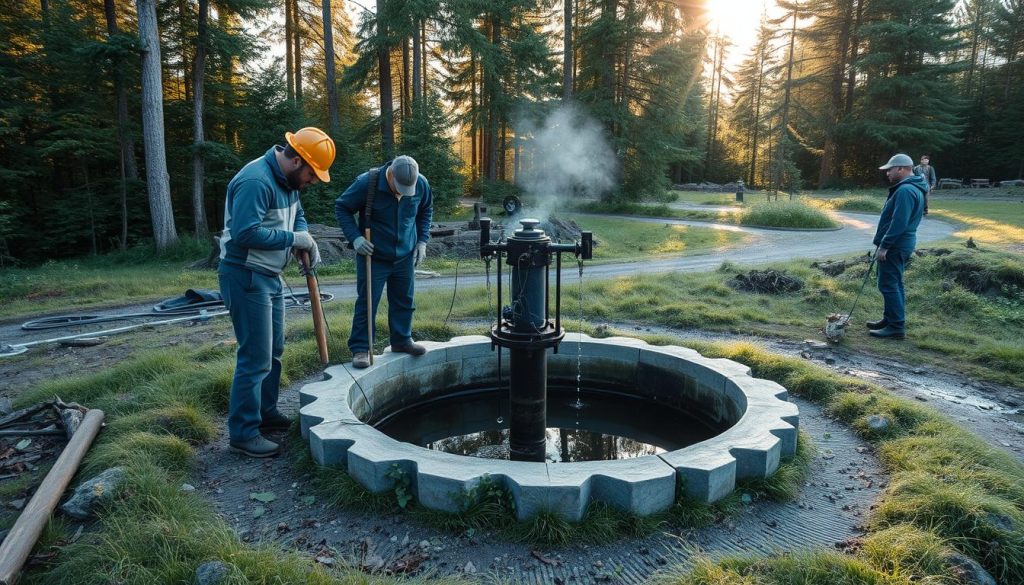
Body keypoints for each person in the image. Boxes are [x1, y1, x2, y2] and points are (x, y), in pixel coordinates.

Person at [218, 127, 335, 457]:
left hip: (269, 274)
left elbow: (297, 215)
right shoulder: (256, 180)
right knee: (255, 356)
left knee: (274, 350)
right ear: (297, 160)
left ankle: (265, 414)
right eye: (312, 174)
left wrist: (303, 236)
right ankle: (243, 433)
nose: (313, 181)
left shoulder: (288, 182)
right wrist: (293, 241)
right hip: (245, 275)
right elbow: (244, 233)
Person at [335, 155, 433, 368]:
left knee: (404, 300)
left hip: (405, 255)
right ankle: (361, 348)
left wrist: (422, 241)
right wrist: (355, 238)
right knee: (368, 302)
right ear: (390, 175)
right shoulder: (367, 183)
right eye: (398, 187)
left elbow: (425, 211)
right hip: (373, 256)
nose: (401, 193)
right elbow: (342, 207)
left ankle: (401, 340)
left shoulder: (421, 184)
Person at [867, 153, 927, 340]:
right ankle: (890, 319)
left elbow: (899, 222)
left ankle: (896, 327)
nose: (887, 173)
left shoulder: (905, 190)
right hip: (901, 244)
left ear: (901, 168)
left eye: (890, 169)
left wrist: (884, 246)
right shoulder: (912, 187)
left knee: (888, 285)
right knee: (895, 283)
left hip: (896, 245)